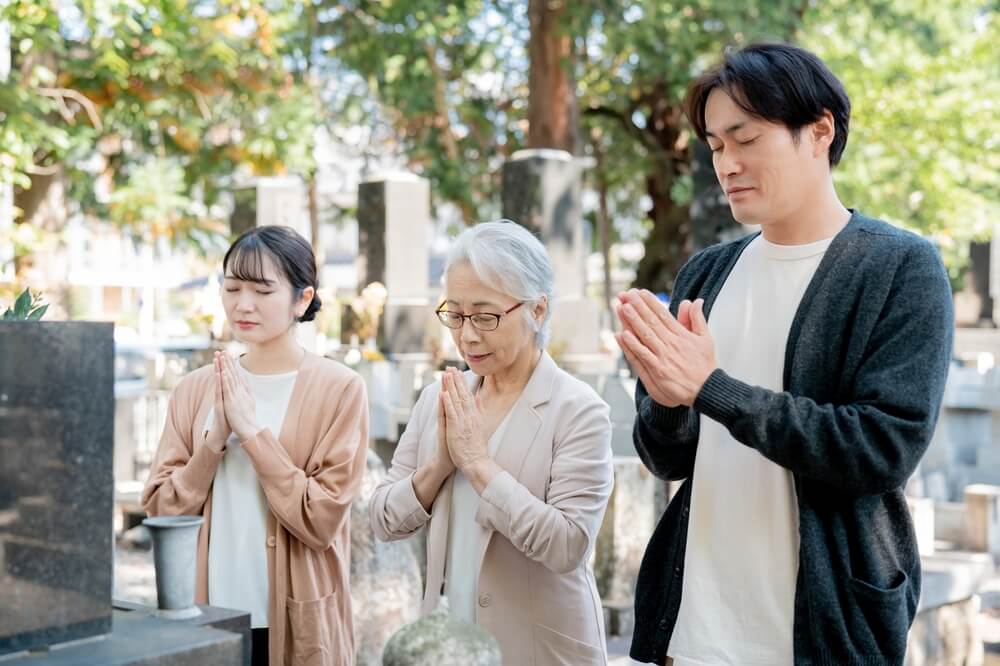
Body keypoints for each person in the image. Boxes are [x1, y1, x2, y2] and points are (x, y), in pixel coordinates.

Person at [615, 43, 953, 666]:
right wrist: (666, 403)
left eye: (746, 139)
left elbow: (882, 447)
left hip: (824, 634)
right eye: (716, 146)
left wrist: (710, 388)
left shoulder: (899, 268)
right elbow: (667, 460)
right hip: (693, 632)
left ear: (819, 130)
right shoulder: (707, 273)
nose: (727, 164)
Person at [370, 220, 614, 665]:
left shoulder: (578, 410)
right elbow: (384, 519)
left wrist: (479, 464)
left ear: (537, 311)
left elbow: (567, 545)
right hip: (451, 645)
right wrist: (438, 467)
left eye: (485, 316)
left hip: (541, 650)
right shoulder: (439, 399)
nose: (467, 336)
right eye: (456, 316)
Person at [142, 226, 369, 666]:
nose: (243, 304)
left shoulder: (340, 389)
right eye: (232, 288)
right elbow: (160, 511)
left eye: (263, 291)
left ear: (302, 300)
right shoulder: (195, 389)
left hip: (295, 620)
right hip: (207, 618)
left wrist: (252, 435)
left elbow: (322, 518)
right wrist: (211, 444)